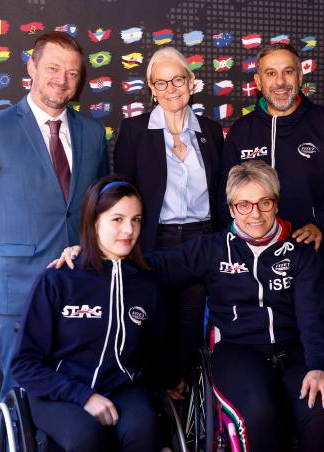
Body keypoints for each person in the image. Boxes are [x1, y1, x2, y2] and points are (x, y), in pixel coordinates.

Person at [53, 161, 324, 452]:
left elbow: (313, 318)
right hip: (239, 350)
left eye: (264, 203)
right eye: (243, 205)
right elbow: (150, 268)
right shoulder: (212, 249)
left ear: (276, 204)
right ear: (230, 209)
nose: (254, 214)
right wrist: (90, 255)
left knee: (321, 412)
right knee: (259, 415)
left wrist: (318, 365)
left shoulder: (300, 252)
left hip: (296, 349)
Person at [0, 31, 109, 401]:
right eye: (53, 68)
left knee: (76, 391)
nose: (62, 80)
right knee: (20, 392)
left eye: (73, 73)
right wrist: (1, 256)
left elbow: (97, 206)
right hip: (18, 288)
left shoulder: (92, 132)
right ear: (32, 67)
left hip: (79, 287)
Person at [12, 178, 166, 452]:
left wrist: (174, 380)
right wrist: (83, 396)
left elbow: (155, 352)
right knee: (87, 436)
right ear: (94, 222)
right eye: (117, 219)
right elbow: (24, 365)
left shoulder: (146, 284)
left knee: (143, 432)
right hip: (59, 391)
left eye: (136, 219)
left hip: (123, 386)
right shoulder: (58, 279)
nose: (129, 230)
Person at [220, 42, 324, 326]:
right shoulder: (241, 131)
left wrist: (320, 223)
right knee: (267, 339)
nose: (280, 82)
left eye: (288, 72)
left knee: (317, 341)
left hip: (314, 258)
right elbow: (226, 199)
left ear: (300, 76)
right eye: (270, 73)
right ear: (258, 81)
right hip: (257, 264)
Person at [114, 46, 224, 377]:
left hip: (201, 243)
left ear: (192, 82)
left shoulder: (211, 131)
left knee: (190, 330)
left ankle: (184, 394)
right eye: (160, 83)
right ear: (151, 89)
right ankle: (159, 399)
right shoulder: (134, 132)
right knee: (153, 326)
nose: (171, 89)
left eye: (178, 79)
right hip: (153, 244)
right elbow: (122, 194)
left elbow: (221, 194)